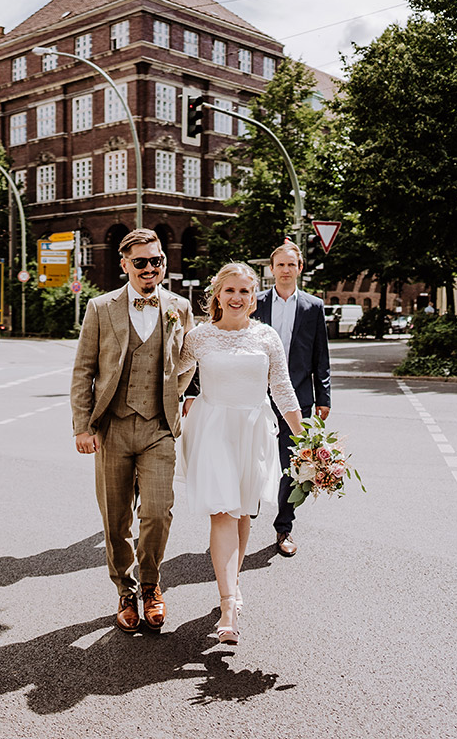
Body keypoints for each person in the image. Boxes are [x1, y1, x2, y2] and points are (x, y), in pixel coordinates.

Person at [70, 228, 196, 633]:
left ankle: (151, 584)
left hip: (159, 427)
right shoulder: (100, 307)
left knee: (158, 513)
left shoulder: (180, 306)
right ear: (124, 264)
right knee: (115, 519)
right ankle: (124, 590)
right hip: (112, 428)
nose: (149, 268)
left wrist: (175, 395)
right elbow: (84, 371)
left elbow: (189, 359)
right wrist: (83, 426)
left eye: (156, 261)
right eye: (140, 262)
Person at [178, 263, 303, 645]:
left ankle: (233, 583)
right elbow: (173, 374)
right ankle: (228, 604)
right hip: (213, 429)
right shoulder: (199, 337)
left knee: (244, 510)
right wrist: (181, 398)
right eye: (229, 290)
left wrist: (310, 440)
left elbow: (282, 389)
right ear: (217, 294)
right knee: (222, 511)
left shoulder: (267, 337)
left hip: (254, 430)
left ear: (254, 297)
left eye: (245, 292)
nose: (237, 298)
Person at [254, 243, 331, 557]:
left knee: (292, 465)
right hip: (256, 395)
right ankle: (246, 511)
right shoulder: (253, 302)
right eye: (280, 265)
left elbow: (320, 356)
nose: (285, 270)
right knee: (252, 457)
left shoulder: (313, 307)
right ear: (271, 269)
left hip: (297, 397)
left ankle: (284, 527)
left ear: (300, 268)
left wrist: (323, 397)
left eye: (291, 265)